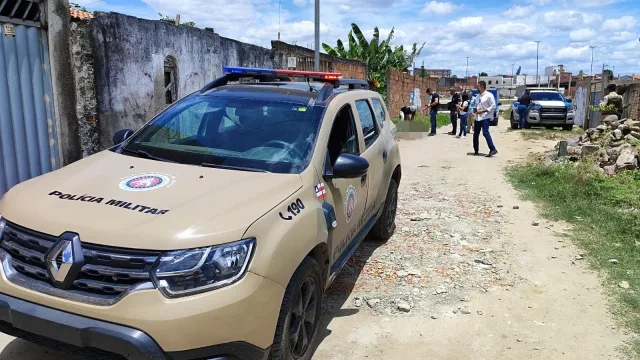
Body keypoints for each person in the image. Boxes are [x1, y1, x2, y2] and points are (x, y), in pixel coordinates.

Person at [472, 81, 498, 157]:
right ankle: (476, 150)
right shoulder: (477, 96)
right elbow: (476, 106)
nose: (477, 88)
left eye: (478, 86)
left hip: (485, 117)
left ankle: (493, 149)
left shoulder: (489, 95)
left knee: (485, 133)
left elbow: (493, 106)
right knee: (475, 134)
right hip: (478, 118)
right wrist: (475, 110)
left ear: (482, 86)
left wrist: (483, 111)